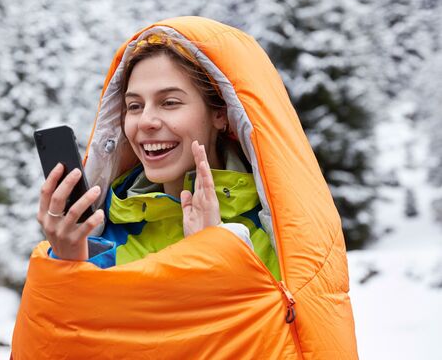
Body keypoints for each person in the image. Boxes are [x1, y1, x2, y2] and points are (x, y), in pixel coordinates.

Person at [36, 32, 280, 278]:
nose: (145, 122)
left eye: (170, 102)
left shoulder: (278, 234)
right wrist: (66, 260)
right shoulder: (103, 239)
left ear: (220, 114)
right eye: (134, 106)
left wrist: (216, 253)